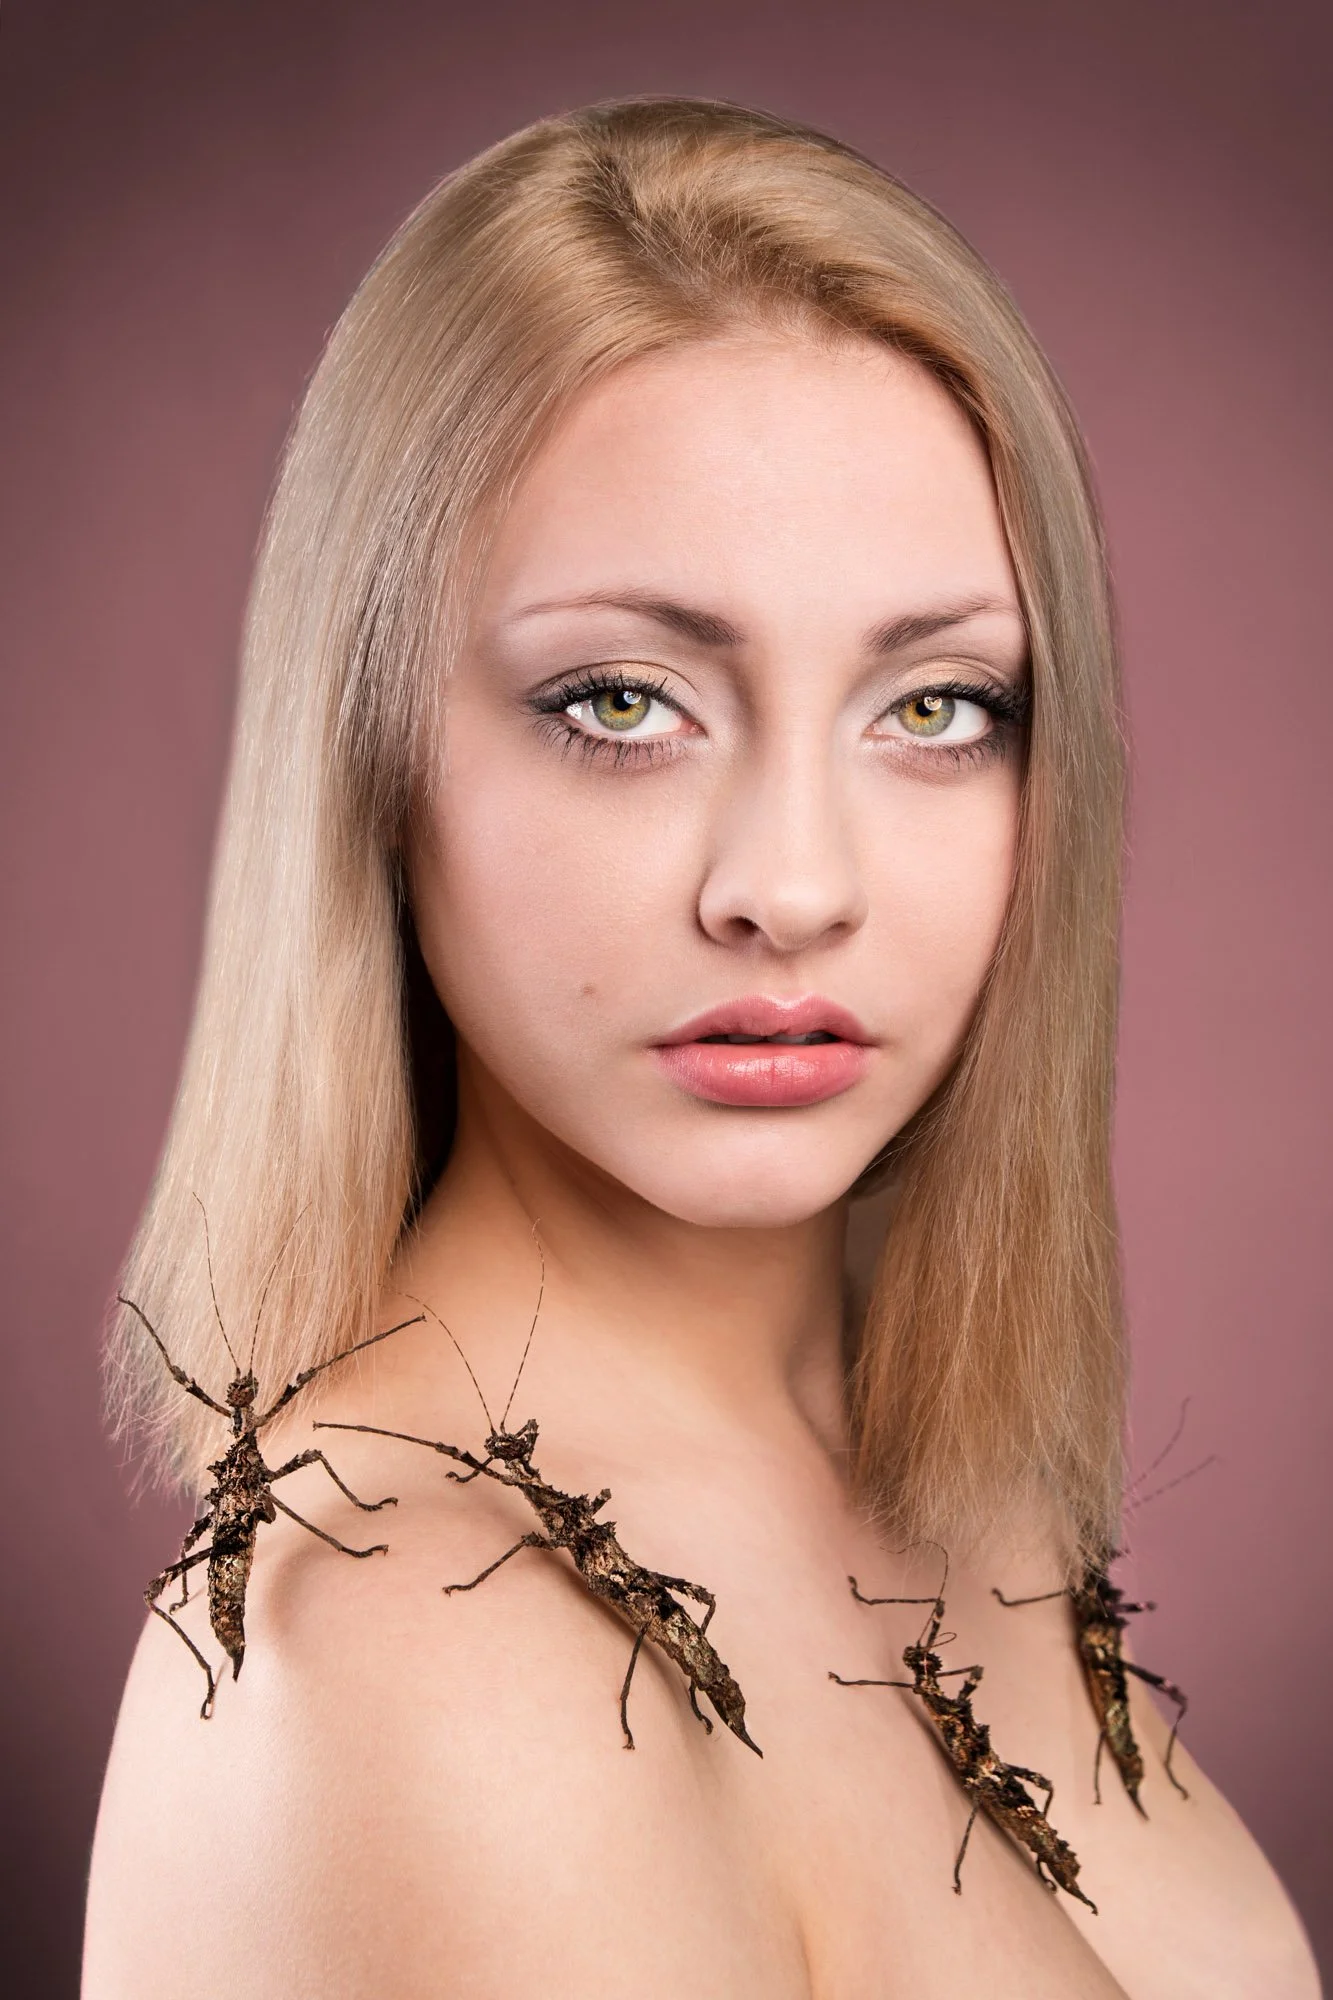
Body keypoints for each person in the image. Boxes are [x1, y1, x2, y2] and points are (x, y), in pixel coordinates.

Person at [82, 100, 1319, 1998]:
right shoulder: (427, 1650)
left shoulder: (963, 1495)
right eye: (624, 700)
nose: (794, 887)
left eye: (936, 705)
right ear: (376, 759)